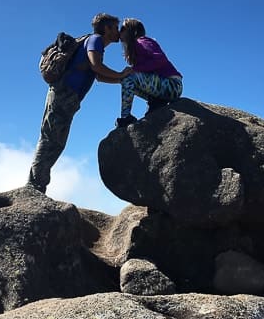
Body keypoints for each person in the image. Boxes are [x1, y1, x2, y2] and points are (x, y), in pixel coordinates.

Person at [28, 13, 132, 193]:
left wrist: (121, 80)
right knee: (50, 139)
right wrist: (121, 74)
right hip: (64, 94)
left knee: (56, 141)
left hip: (68, 97)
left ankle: (36, 185)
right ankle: (35, 187)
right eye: (115, 27)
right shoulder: (96, 40)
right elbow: (96, 66)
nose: (117, 32)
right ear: (106, 28)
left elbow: (99, 76)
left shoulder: (95, 43)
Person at [116, 18, 183, 128]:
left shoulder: (142, 41)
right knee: (127, 81)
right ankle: (157, 102)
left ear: (132, 31)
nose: (120, 32)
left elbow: (160, 59)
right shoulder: (137, 46)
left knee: (128, 78)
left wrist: (136, 69)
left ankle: (125, 117)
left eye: (123, 28)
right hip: (166, 87)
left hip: (172, 84)